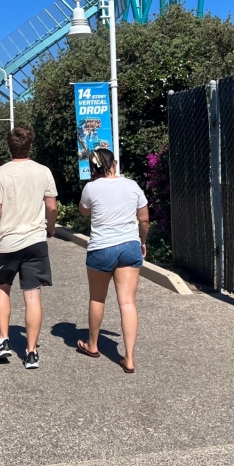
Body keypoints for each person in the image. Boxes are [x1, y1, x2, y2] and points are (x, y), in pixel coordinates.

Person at [0, 127, 58, 369]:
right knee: (32, 296)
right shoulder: (43, 172)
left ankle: (3, 341)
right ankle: (31, 352)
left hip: (8, 243)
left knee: (2, 289)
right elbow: (52, 206)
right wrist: (50, 229)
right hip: (35, 241)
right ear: (30, 145)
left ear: (9, 146)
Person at [75, 149, 149, 374]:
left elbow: (84, 212)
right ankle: (129, 358)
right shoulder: (132, 185)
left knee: (97, 298)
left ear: (93, 168)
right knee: (127, 303)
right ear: (114, 164)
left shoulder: (91, 188)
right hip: (129, 246)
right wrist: (142, 242)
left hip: (101, 248)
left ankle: (93, 345)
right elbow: (144, 218)